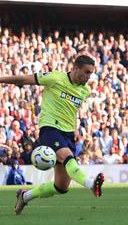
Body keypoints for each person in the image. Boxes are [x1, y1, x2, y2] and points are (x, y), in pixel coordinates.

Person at [0, 55, 104, 215]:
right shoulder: (55, 78)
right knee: (68, 158)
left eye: (91, 73)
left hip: (68, 134)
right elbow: (24, 79)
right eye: (86, 72)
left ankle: (25, 196)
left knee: (61, 187)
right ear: (76, 68)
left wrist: (75, 129)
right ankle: (91, 184)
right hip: (50, 130)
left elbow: (70, 110)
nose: (88, 77)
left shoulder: (85, 90)